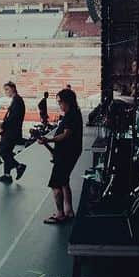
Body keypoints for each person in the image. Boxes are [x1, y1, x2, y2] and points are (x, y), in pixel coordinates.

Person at [35, 88, 83, 224]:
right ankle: (69, 211)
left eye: (60, 102)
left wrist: (48, 140)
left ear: (67, 101)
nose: (59, 105)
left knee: (56, 185)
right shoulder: (73, 113)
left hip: (66, 154)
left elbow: (66, 135)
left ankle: (60, 214)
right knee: (64, 182)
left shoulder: (71, 115)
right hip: (68, 153)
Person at [0, 82, 26, 183]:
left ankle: (19, 166)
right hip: (12, 131)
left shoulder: (17, 100)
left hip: (12, 132)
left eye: (7, 89)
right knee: (7, 152)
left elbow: (13, 118)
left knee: (2, 150)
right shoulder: (16, 100)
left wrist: (2, 125)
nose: (6, 92)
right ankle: (7, 175)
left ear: (13, 88)